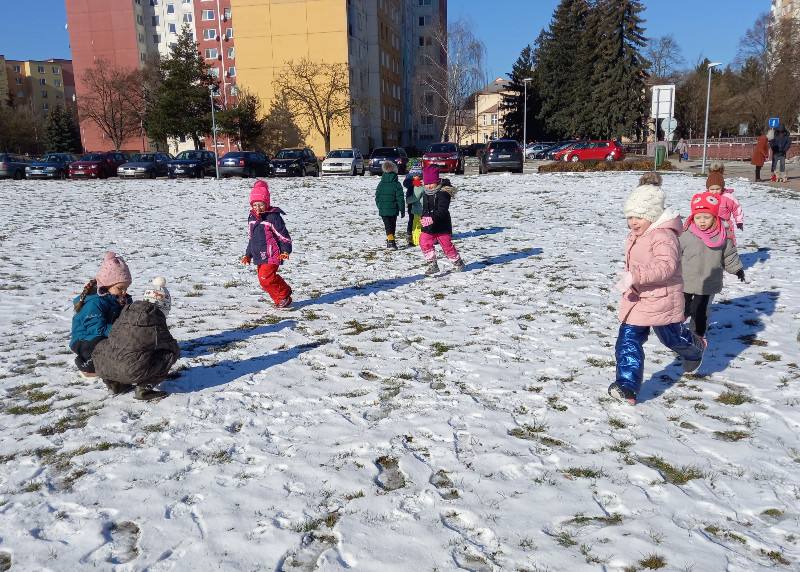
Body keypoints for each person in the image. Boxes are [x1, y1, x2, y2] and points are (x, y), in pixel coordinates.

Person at [608, 184, 706, 405]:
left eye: (639, 217)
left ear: (652, 216)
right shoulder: (638, 234)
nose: (633, 222)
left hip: (663, 298)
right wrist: (631, 277)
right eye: (630, 216)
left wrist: (635, 275)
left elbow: (666, 266)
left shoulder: (664, 236)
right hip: (638, 299)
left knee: (671, 337)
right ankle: (627, 387)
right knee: (628, 339)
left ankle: (696, 348)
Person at [92, 277, 180, 401]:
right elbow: (170, 346)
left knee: (106, 345)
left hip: (104, 366)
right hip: (131, 370)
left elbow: (112, 334)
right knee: (170, 354)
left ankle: (114, 384)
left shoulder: (126, 312)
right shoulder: (156, 322)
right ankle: (144, 389)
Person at [680, 193, 745, 341]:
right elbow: (675, 252)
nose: (702, 221)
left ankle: (697, 336)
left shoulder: (723, 234)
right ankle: (677, 327)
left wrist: (737, 269)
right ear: (693, 217)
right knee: (683, 307)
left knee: (700, 310)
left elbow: (729, 254)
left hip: (708, 281)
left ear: (715, 216)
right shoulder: (685, 234)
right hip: (687, 279)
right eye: (698, 217)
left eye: (706, 217)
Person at [70, 252, 132, 379]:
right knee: (99, 350)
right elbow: (97, 327)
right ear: (107, 284)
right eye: (120, 288)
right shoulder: (95, 302)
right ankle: (85, 366)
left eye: (126, 288)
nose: (124, 292)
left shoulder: (121, 299)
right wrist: (120, 333)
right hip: (85, 339)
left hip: (109, 335)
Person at [241, 180, 293, 308]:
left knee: (266, 278)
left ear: (267, 203)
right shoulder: (252, 218)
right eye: (255, 205)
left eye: (261, 205)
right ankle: (280, 300)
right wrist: (248, 254)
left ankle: (284, 294)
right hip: (259, 254)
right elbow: (252, 238)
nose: (257, 208)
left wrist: (285, 250)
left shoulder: (272, 217)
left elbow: (283, 235)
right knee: (263, 281)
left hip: (272, 254)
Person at [419, 165, 466, 275]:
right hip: (429, 226)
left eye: (431, 183)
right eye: (427, 183)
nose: (429, 186)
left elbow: (443, 210)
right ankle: (432, 264)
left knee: (447, 246)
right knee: (423, 242)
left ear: (437, 181)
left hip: (442, 226)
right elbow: (425, 208)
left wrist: (432, 218)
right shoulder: (425, 193)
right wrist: (423, 218)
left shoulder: (443, 193)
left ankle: (458, 262)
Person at [705, 167, 743, 243]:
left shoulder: (727, 197)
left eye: (717, 189)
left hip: (725, 225)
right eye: (712, 189)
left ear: (722, 188)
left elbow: (737, 208)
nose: (715, 192)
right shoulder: (705, 197)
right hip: (710, 226)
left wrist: (739, 221)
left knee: (727, 243)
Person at [375, 160, 405, 249]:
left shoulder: (381, 184)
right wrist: (402, 209)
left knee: (387, 225)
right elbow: (400, 198)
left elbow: (377, 196)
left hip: (383, 208)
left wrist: (379, 205)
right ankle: (391, 241)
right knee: (392, 225)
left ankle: (390, 240)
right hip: (393, 208)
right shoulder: (396, 184)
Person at [403, 161, 424, 247]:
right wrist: (413, 182)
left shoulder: (421, 182)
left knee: (417, 220)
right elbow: (405, 183)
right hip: (411, 203)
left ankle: (419, 236)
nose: (413, 177)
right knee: (411, 219)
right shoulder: (410, 178)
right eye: (413, 176)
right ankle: (409, 236)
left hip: (417, 204)